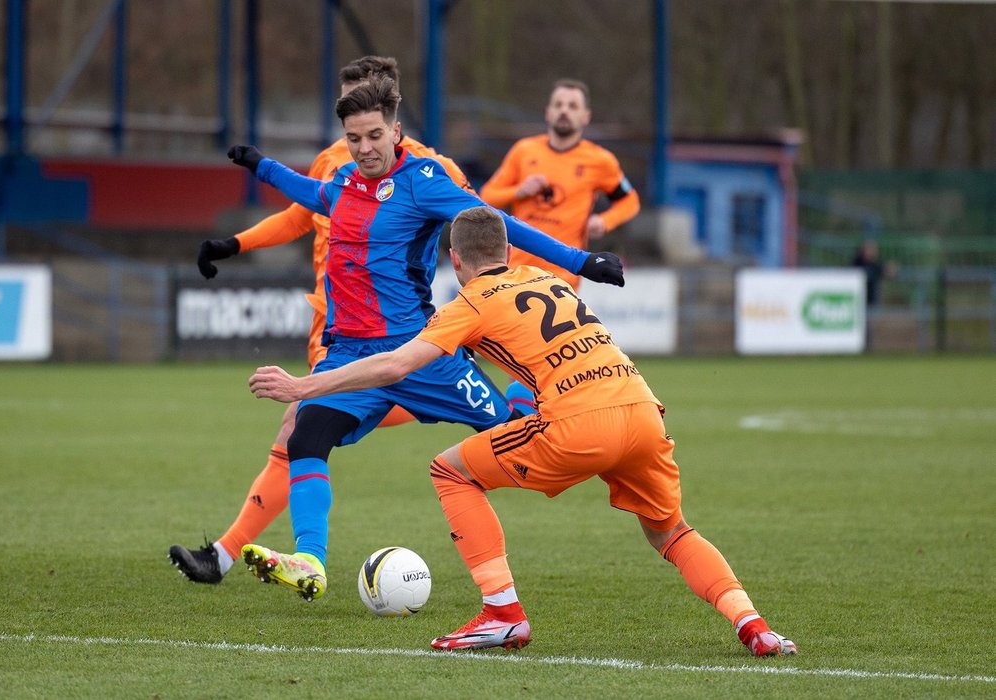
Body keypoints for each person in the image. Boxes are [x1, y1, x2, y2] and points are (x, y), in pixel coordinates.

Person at [248, 206, 797, 656]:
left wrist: (303, 387)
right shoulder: (544, 279)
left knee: (450, 471)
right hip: (642, 410)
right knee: (671, 532)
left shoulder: (469, 301)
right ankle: (753, 626)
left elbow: (394, 366)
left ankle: (502, 613)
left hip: (579, 423)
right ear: (509, 253)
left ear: (456, 261)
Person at [225, 75, 625, 603]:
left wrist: (580, 261)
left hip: (422, 354)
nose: (364, 148)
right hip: (352, 355)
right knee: (304, 436)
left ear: (396, 132)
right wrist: (261, 166)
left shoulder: (423, 181)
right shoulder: (343, 183)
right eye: (354, 138)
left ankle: (611, 454)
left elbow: (496, 219)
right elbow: (311, 193)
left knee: (520, 436)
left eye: (373, 135)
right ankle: (310, 560)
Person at [168, 57, 485, 585]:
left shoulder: (431, 168)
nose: (357, 132)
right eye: (346, 108)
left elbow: (477, 233)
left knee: (303, 424)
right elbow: (299, 216)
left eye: (365, 105)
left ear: (389, 106)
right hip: (336, 327)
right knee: (303, 429)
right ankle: (241, 555)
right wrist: (236, 243)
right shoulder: (333, 163)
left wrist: (480, 315)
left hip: (398, 330)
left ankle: (234, 555)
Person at [479, 78, 641, 292]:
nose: (564, 110)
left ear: (586, 117)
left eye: (572, 106)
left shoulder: (600, 161)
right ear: (548, 112)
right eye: (558, 104)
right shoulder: (524, 151)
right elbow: (486, 196)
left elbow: (631, 201)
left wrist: (604, 221)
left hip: (564, 276)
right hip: (515, 272)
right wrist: (519, 191)